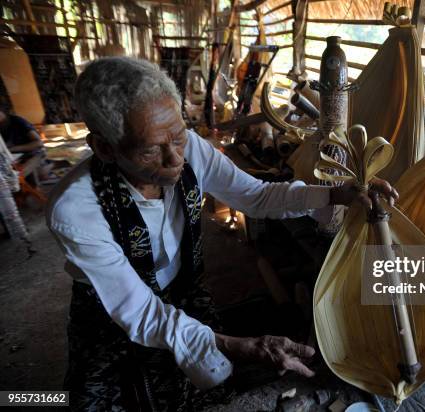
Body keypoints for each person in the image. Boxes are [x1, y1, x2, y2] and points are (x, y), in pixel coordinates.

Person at [46, 56, 399, 411]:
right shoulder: (75, 209)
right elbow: (139, 312)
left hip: (184, 291)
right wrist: (235, 345)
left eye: (179, 137)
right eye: (152, 149)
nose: (174, 159)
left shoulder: (190, 151)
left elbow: (256, 195)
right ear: (105, 147)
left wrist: (337, 194)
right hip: (112, 312)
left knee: (194, 393)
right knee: (104, 399)